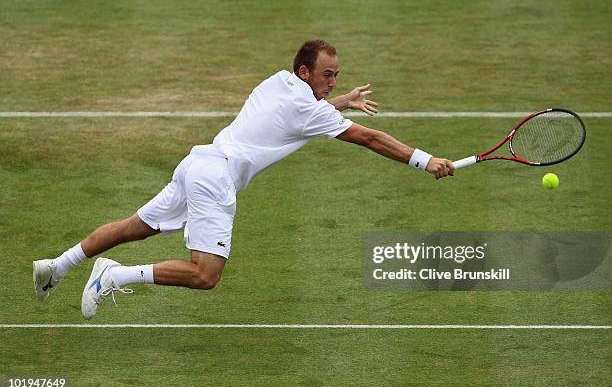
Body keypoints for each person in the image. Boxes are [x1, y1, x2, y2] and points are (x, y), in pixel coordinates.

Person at [33, 38, 454, 319]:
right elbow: (371, 138)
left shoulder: (279, 83)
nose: (335, 81)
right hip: (215, 180)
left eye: (338, 75)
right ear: (305, 73)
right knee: (205, 275)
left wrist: (341, 100)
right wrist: (425, 159)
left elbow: (300, 115)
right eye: (328, 75)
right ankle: (115, 275)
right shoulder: (311, 109)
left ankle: (57, 265)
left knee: (134, 226)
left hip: (197, 162)